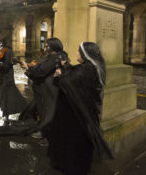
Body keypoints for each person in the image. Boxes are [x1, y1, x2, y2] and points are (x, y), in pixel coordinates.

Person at [49, 42, 114, 174]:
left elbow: (68, 82)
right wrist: (66, 68)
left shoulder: (86, 69)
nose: (77, 53)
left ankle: (73, 168)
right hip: (85, 114)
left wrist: (58, 76)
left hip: (78, 116)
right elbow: (75, 75)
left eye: (79, 51)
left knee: (75, 143)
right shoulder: (93, 67)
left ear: (85, 54)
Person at [19, 37, 67, 139]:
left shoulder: (55, 57)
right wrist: (29, 67)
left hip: (47, 90)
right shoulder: (54, 56)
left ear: (53, 46)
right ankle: (43, 130)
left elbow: (42, 71)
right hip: (44, 89)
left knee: (45, 111)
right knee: (41, 110)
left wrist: (28, 68)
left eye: (47, 45)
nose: (45, 47)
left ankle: (45, 133)